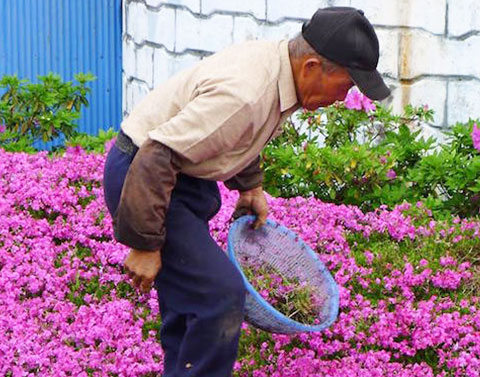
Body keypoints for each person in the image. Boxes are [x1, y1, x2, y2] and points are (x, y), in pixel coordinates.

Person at [102, 6, 390, 377]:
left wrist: (250, 186)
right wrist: (144, 244)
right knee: (220, 297)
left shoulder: (280, 67)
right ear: (312, 67)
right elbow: (158, 153)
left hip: (179, 177)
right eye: (348, 85)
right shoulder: (246, 93)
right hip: (145, 176)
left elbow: (234, 134)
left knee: (190, 303)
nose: (344, 97)